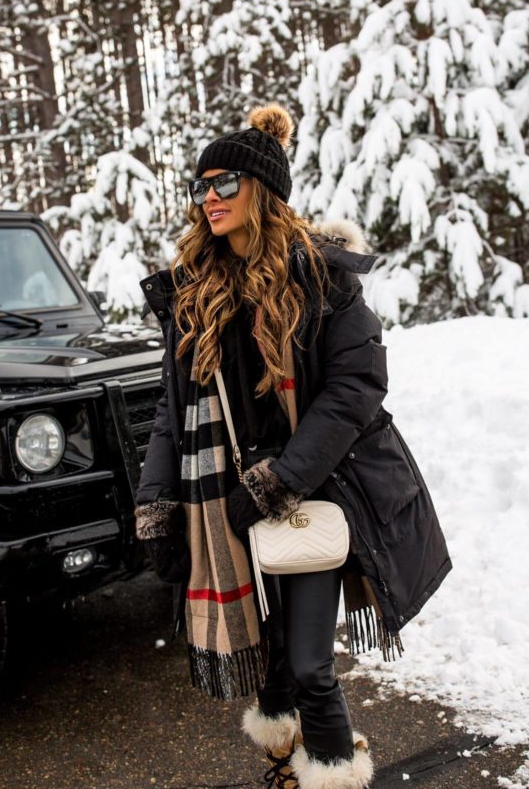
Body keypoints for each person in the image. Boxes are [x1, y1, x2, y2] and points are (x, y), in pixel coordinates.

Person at [134, 102, 452, 789]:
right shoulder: (195, 294)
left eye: (226, 183)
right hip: (225, 498)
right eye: (201, 186)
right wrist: (156, 497)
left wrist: (281, 480)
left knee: (308, 659)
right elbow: (173, 406)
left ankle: (334, 769)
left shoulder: (323, 277)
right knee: (270, 654)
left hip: (314, 487)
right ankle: (286, 761)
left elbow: (356, 389)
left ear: (264, 189)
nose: (209, 198)